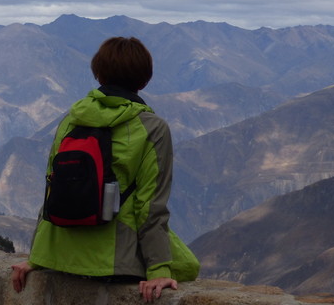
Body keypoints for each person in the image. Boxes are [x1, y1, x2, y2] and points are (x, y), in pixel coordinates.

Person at [11, 37, 199, 302]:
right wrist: (158, 269)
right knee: (189, 266)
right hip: (113, 263)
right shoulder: (153, 128)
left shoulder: (71, 121)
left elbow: (53, 189)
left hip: (59, 255)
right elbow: (150, 207)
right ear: (145, 81)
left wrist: (37, 258)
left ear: (98, 75)